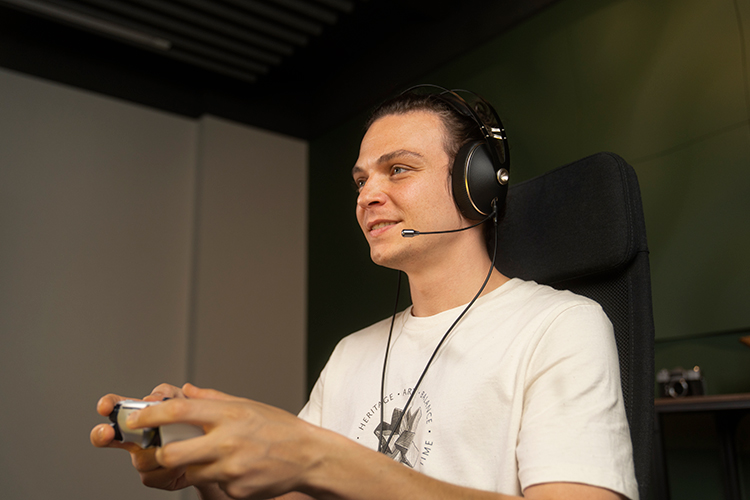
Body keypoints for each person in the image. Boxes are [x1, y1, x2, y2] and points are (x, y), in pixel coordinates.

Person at [91, 88, 638, 500]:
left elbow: (315, 463)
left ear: (476, 183)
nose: (368, 195)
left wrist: (317, 455)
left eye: (398, 170)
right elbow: (301, 487)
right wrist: (203, 466)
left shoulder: (560, 326)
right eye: (360, 181)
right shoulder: (353, 352)